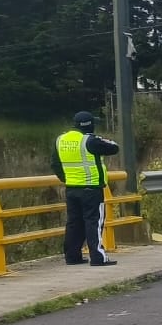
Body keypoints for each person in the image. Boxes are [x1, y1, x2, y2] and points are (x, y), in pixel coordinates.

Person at [51, 111, 121, 267]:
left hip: (71, 188)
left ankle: (72, 256)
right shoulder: (90, 141)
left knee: (73, 223)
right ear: (90, 124)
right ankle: (98, 257)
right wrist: (101, 138)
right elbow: (114, 148)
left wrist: (66, 179)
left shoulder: (60, 140)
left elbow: (54, 164)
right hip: (91, 188)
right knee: (93, 222)